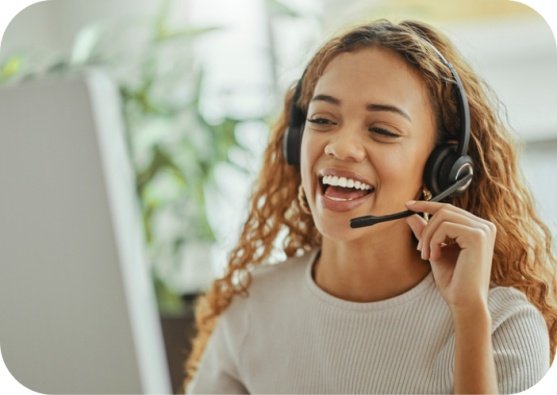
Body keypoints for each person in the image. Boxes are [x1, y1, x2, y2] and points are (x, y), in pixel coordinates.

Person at [184, 19, 557, 394]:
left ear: (443, 169)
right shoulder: (254, 307)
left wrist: (469, 315)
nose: (340, 147)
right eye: (322, 120)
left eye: (382, 130)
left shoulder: (501, 324)